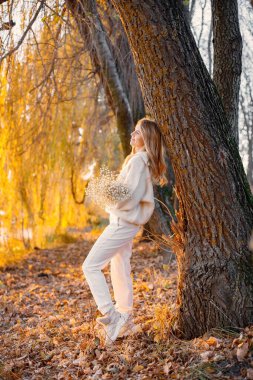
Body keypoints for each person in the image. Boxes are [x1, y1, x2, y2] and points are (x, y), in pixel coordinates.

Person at [82, 117, 168, 345]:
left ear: (146, 138)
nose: (132, 134)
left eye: (137, 132)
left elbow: (127, 195)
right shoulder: (141, 160)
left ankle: (110, 315)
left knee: (90, 266)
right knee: (120, 267)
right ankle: (126, 319)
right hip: (126, 222)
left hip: (122, 223)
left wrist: (105, 194)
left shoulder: (139, 161)